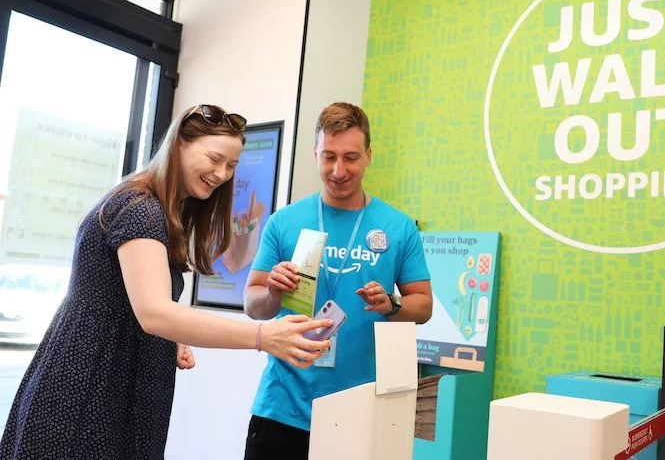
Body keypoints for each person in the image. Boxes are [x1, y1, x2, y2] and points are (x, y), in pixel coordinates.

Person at [0, 105, 332, 460]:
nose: (221, 174)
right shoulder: (139, 208)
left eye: (232, 166)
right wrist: (263, 337)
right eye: (215, 158)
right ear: (178, 146)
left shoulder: (159, 210)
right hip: (92, 388)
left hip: (120, 386)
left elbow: (137, 306)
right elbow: (154, 313)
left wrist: (169, 337)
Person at [243, 102, 433, 459]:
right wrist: (272, 290)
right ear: (315, 153)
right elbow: (253, 305)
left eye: (350, 157)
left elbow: (423, 305)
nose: (339, 170)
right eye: (329, 157)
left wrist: (392, 305)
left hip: (359, 412)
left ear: (369, 156)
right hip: (282, 408)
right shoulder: (284, 221)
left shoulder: (399, 227)